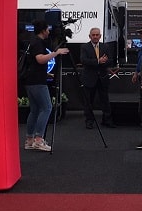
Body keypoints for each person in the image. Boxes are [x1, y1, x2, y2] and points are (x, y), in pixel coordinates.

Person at [22, 20, 70, 152]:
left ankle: (30, 140)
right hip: (37, 82)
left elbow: (35, 63)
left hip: (31, 80)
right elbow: (40, 59)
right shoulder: (37, 42)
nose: (49, 31)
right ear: (43, 30)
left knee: (35, 110)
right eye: (47, 29)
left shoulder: (33, 41)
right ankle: (38, 139)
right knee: (47, 107)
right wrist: (56, 52)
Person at [79, 27, 115, 128]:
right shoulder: (84, 47)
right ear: (89, 36)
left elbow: (110, 60)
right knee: (89, 101)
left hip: (103, 78)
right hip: (89, 78)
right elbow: (84, 61)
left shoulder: (105, 47)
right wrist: (98, 61)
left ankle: (107, 120)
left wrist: (103, 61)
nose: (95, 37)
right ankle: (89, 121)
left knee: (105, 101)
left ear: (100, 36)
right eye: (93, 35)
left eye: (97, 35)